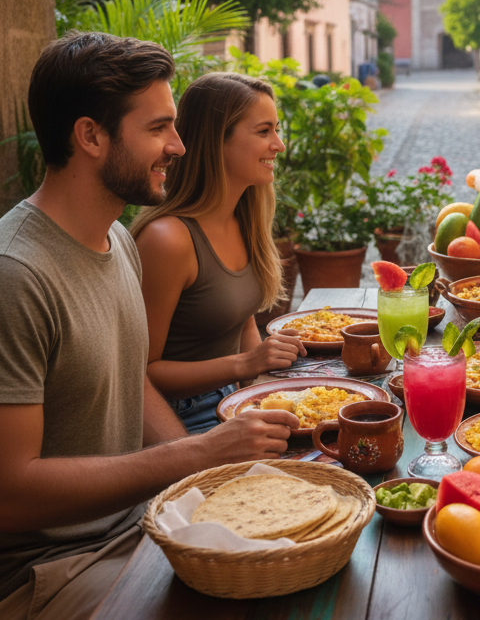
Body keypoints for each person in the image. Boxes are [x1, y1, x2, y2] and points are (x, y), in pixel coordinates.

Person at [0, 33, 299, 620]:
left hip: (143, 521)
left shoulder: (115, 239)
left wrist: (210, 463)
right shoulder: (18, 275)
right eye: (160, 128)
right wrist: (189, 459)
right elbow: (10, 492)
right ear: (90, 136)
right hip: (51, 568)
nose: (180, 146)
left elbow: (133, 382)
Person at [132, 73, 305, 433]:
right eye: (263, 132)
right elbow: (140, 374)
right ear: (216, 141)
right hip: (182, 420)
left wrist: (260, 389)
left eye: (277, 130)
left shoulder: (245, 219)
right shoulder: (167, 240)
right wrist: (244, 364)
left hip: (234, 401)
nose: (279, 145)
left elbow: (241, 321)